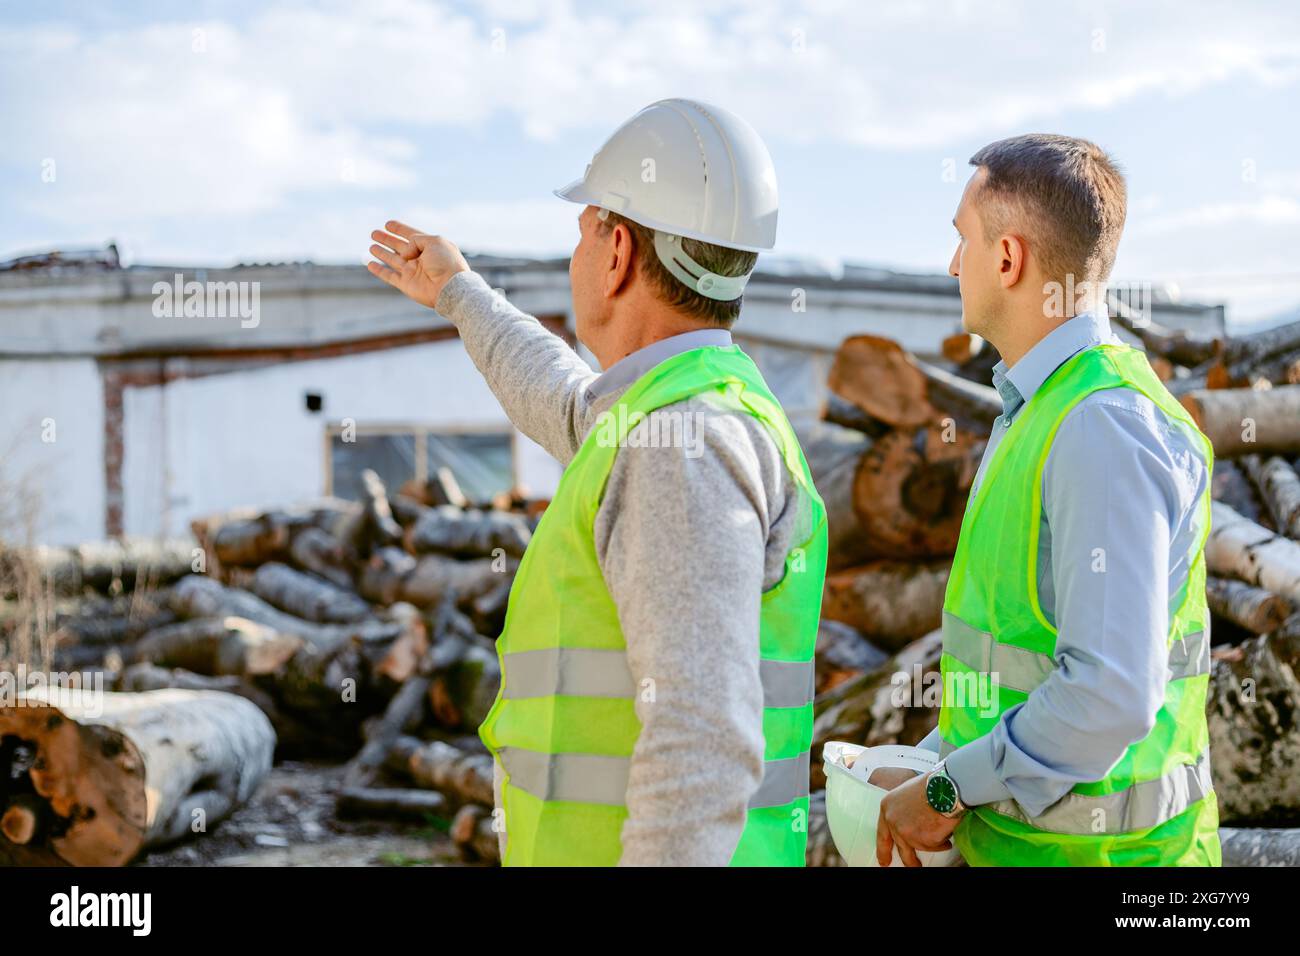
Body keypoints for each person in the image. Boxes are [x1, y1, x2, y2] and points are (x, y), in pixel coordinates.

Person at [366, 99, 827, 866]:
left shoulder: (682, 446)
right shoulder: (672, 414)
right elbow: (567, 401)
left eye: (580, 235)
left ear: (616, 252)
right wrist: (459, 292)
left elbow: (701, 733)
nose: (575, 260)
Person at [875, 134, 1221, 866]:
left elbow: (1109, 696)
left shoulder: (1102, 427)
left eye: (961, 241)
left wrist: (945, 793)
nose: (951, 264)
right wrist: (932, 766)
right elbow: (1021, 669)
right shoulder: (1042, 411)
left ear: (1008, 258)